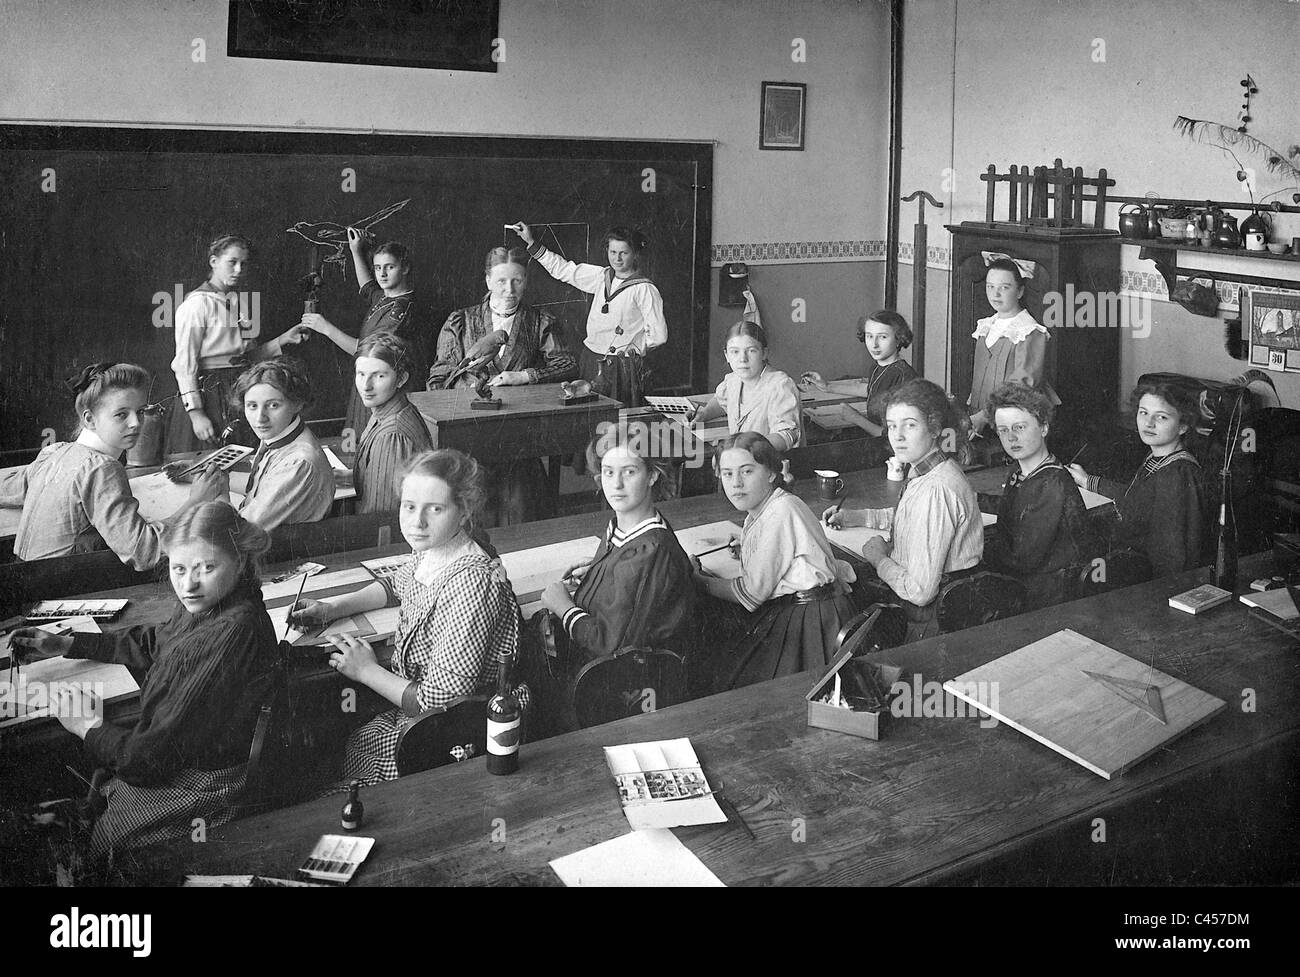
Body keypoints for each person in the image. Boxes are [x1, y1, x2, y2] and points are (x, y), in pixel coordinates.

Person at [8, 502, 278, 855]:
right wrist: (69, 643)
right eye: (179, 568)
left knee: (101, 846)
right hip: (174, 760)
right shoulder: (214, 601)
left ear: (240, 562)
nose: (188, 584)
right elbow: (156, 642)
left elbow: (149, 759)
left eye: (206, 567)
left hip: (203, 782)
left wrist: (87, 726)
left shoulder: (232, 630)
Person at [287, 449, 525, 786]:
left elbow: (439, 702)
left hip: (452, 732)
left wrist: (366, 671)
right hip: (420, 713)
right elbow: (395, 584)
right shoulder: (435, 549)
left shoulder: (470, 581)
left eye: (435, 509)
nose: (417, 521)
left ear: (464, 511)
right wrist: (332, 608)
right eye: (409, 506)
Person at [0, 362, 221, 568]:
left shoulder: (54, 451)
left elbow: (6, 488)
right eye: (121, 415)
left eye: (140, 411)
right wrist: (197, 501)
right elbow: (144, 551)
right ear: (89, 419)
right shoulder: (101, 468)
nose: (136, 423)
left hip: (24, 575)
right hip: (63, 586)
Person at [694, 432, 857, 690]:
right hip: (809, 609)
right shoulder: (767, 507)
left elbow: (751, 594)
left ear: (771, 473)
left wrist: (698, 581)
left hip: (813, 620)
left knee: (741, 682)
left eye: (747, 471)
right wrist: (750, 549)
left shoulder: (781, 510)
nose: (735, 483)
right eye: (727, 474)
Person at [826, 379, 983, 641]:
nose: (897, 436)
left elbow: (920, 591)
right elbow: (911, 518)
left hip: (929, 621)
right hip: (933, 609)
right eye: (891, 426)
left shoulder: (936, 489)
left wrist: (878, 558)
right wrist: (857, 517)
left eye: (910, 425)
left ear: (934, 428)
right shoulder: (929, 469)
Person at [538, 422, 695, 663]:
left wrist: (563, 607)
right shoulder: (620, 526)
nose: (617, 484)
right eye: (609, 472)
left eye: (629, 472)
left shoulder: (652, 549)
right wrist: (602, 571)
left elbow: (612, 647)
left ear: (652, 475)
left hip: (627, 680)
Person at [167, 234, 311, 453]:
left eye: (243, 264)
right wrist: (196, 413)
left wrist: (284, 339)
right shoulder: (196, 305)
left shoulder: (237, 304)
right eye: (231, 262)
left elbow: (247, 358)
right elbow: (184, 364)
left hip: (238, 387)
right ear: (214, 262)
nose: (238, 270)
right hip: (210, 395)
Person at [507, 221, 665, 406]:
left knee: (618, 420)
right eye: (613, 252)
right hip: (591, 359)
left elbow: (658, 335)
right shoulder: (601, 276)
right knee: (590, 413)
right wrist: (531, 243)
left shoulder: (644, 288)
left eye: (624, 253)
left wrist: (633, 350)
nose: (617, 259)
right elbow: (564, 270)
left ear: (635, 253)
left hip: (622, 367)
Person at [1069, 380, 1206, 578]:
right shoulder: (1157, 457)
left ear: (1183, 426)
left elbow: (1172, 555)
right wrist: (1087, 480)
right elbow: (1135, 497)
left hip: (1154, 581)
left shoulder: (1178, 473)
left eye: (1161, 417)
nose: (1148, 423)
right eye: (1143, 413)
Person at [298, 231, 427, 437]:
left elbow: (366, 351)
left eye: (389, 267)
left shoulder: (402, 311)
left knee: (373, 437)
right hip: (369, 384)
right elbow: (367, 287)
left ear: (405, 268)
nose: (382, 274)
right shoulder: (385, 297)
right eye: (378, 268)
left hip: (383, 388)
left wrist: (325, 328)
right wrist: (356, 251)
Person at [982, 382, 1094, 609]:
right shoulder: (1021, 469)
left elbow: (1023, 559)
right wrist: (968, 499)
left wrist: (978, 548)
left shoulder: (1052, 482)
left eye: (1020, 428)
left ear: (1044, 428)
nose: (1011, 438)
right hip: (1028, 582)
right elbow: (1011, 506)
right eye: (1003, 430)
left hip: (1047, 595)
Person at [426, 246, 577, 389]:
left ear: (525, 281)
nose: (510, 290)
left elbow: (567, 366)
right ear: (488, 281)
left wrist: (523, 376)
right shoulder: (460, 321)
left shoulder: (541, 322)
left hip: (520, 410)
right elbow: (439, 378)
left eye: (517, 281)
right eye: (501, 281)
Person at [225, 358, 335, 531]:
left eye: (273, 405)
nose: (260, 418)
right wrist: (211, 477)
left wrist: (217, 496)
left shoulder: (299, 462)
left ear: (298, 403)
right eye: (252, 406)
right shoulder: (279, 437)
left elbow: (241, 531)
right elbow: (261, 486)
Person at [966, 258, 1059, 443]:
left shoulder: (1029, 331)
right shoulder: (986, 326)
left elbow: (1023, 385)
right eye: (990, 287)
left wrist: (984, 416)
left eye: (1004, 287)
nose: (995, 294)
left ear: (1020, 291)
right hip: (981, 421)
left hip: (1015, 421)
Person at [801, 310, 918, 440]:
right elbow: (871, 390)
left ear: (898, 339)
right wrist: (827, 386)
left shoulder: (904, 375)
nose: (874, 344)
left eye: (883, 337)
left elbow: (895, 438)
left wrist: (856, 418)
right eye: (869, 336)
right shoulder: (878, 367)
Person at [352, 333, 433, 515]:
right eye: (361, 374)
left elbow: (380, 515)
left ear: (401, 379)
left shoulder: (392, 435)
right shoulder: (386, 410)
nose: (366, 386)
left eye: (379, 376)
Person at [692, 321, 802, 451]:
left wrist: (747, 450)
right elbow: (721, 401)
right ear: (726, 355)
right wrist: (704, 414)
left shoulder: (780, 385)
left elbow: (787, 435)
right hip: (740, 460)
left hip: (768, 462)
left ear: (764, 353)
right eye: (735, 352)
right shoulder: (733, 380)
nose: (742, 358)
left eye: (751, 351)